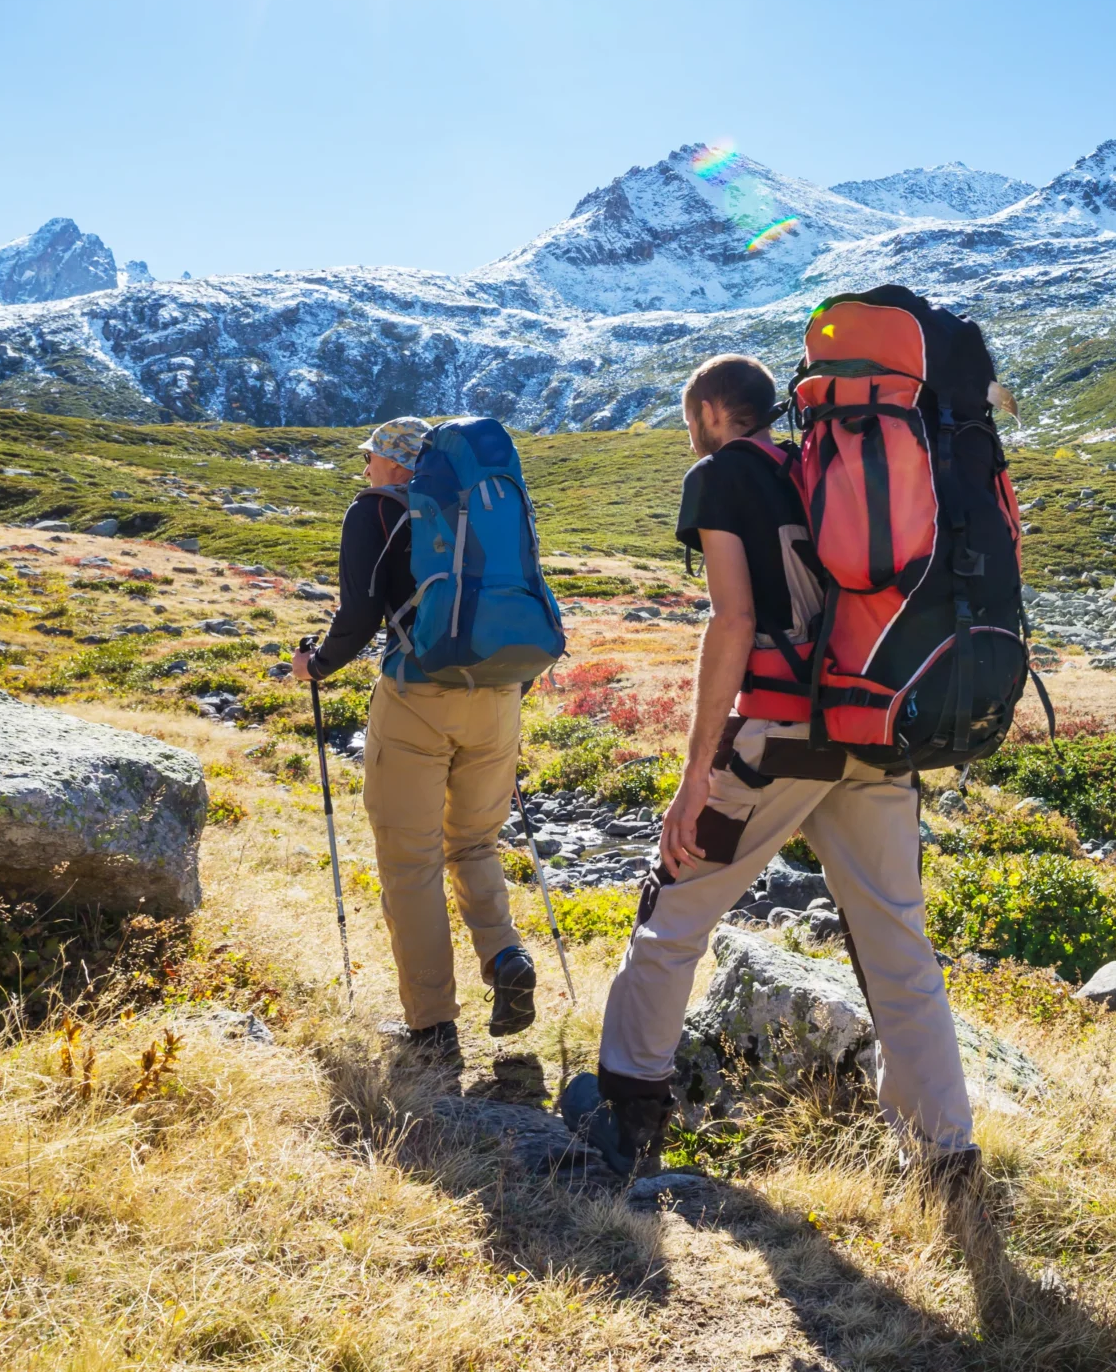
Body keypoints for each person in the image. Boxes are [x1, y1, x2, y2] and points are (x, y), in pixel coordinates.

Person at [578, 354, 1013, 1310]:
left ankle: (626, 1121)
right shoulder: (822, 468)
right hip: (872, 732)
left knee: (675, 907)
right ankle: (948, 1164)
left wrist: (695, 776)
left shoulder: (724, 473)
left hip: (776, 738)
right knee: (899, 946)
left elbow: (733, 618)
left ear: (706, 410)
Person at [293, 415, 538, 1062]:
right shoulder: (489, 507)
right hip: (500, 696)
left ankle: (432, 1025)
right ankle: (505, 954)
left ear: (396, 465)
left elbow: (358, 616)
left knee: (412, 860)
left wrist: (314, 665)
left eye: (371, 456)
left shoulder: (372, 513)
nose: (365, 467)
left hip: (419, 700)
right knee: (475, 840)